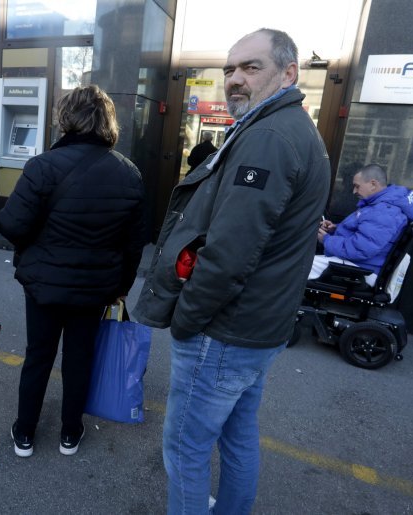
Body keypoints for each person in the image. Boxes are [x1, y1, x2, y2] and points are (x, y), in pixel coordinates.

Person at [133, 29, 330, 513]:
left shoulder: (268, 136)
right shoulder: (286, 128)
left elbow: (229, 253)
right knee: (238, 436)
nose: (235, 79)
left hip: (224, 329)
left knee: (186, 447)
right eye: (230, 69)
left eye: (250, 67)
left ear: (289, 73)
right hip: (257, 327)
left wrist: (187, 320)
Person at [0, 85, 147, 458]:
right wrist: (121, 287)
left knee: (38, 355)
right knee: (79, 358)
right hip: (96, 287)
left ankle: (25, 433)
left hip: (44, 285)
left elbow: (12, 226)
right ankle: (70, 432)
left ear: (66, 118)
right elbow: (134, 244)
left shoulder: (43, 166)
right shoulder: (130, 173)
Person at [311, 164, 413, 285]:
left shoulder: (384, 212)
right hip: (360, 264)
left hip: (360, 269)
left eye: (357, 186)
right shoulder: (383, 206)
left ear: (373, 184)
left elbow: (360, 249)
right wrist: (335, 229)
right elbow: (366, 235)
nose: (354, 191)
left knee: (297, 267)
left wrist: (326, 240)